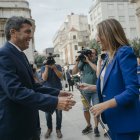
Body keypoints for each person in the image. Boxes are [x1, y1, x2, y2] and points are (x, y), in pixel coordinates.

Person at [0, 16, 76, 140]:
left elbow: (33, 86)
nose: (31, 36)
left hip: (29, 126)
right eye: (27, 32)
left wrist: (57, 93)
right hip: (15, 128)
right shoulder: (3, 54)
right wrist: (55, 102)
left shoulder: (20, 54)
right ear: (13, 32)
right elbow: (16, 91)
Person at [79, 19, 140, 140]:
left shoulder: (124, 53)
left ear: (109, 34)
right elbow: (111, 84)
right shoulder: (108, 56)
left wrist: (104, 105)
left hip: (125, 122)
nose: (96, 39)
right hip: (114, 120)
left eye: (98, 34)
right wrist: (91, 87)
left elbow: (132, 91)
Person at [72, 48, 100, 137]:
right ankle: (89, 125)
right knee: (85, 109)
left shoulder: (97, 61)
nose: (90, 54)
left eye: (92, 53)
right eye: (89, 53)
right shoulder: (82, 62)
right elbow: (73, 72)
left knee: (96, 109)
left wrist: (88, 61)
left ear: (95, 54)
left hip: (95, 89)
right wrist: (77, 61)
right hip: (84, 90)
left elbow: (97, 70)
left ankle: (96, 127)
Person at [41, 60, 63, 138]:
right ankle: (49, 129)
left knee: (59, 113)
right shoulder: (43, 67)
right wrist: (47, 68)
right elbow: (44, 78)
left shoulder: (58, 66)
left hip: (58, 92)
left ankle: (58, 129)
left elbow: (61, 77)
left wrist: (54, 68)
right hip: (47, 92)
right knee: (47, 113)